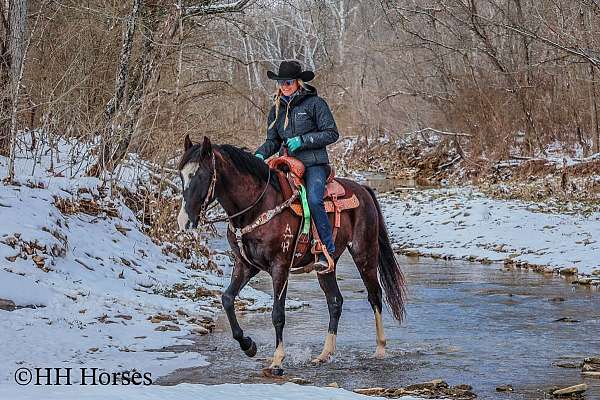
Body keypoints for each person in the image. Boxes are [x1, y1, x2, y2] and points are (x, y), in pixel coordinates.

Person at [255, 60, 339, 272]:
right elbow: (272, 141)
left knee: (313, 199)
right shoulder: (276, 109)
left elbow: (331, 133)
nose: (285, 86)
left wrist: (303, 140)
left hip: (314, 164)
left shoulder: (315, 104)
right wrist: (259, 154)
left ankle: (325, 249)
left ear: (299, 83)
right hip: (287, 165)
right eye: (281, 82)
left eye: (289, 82)